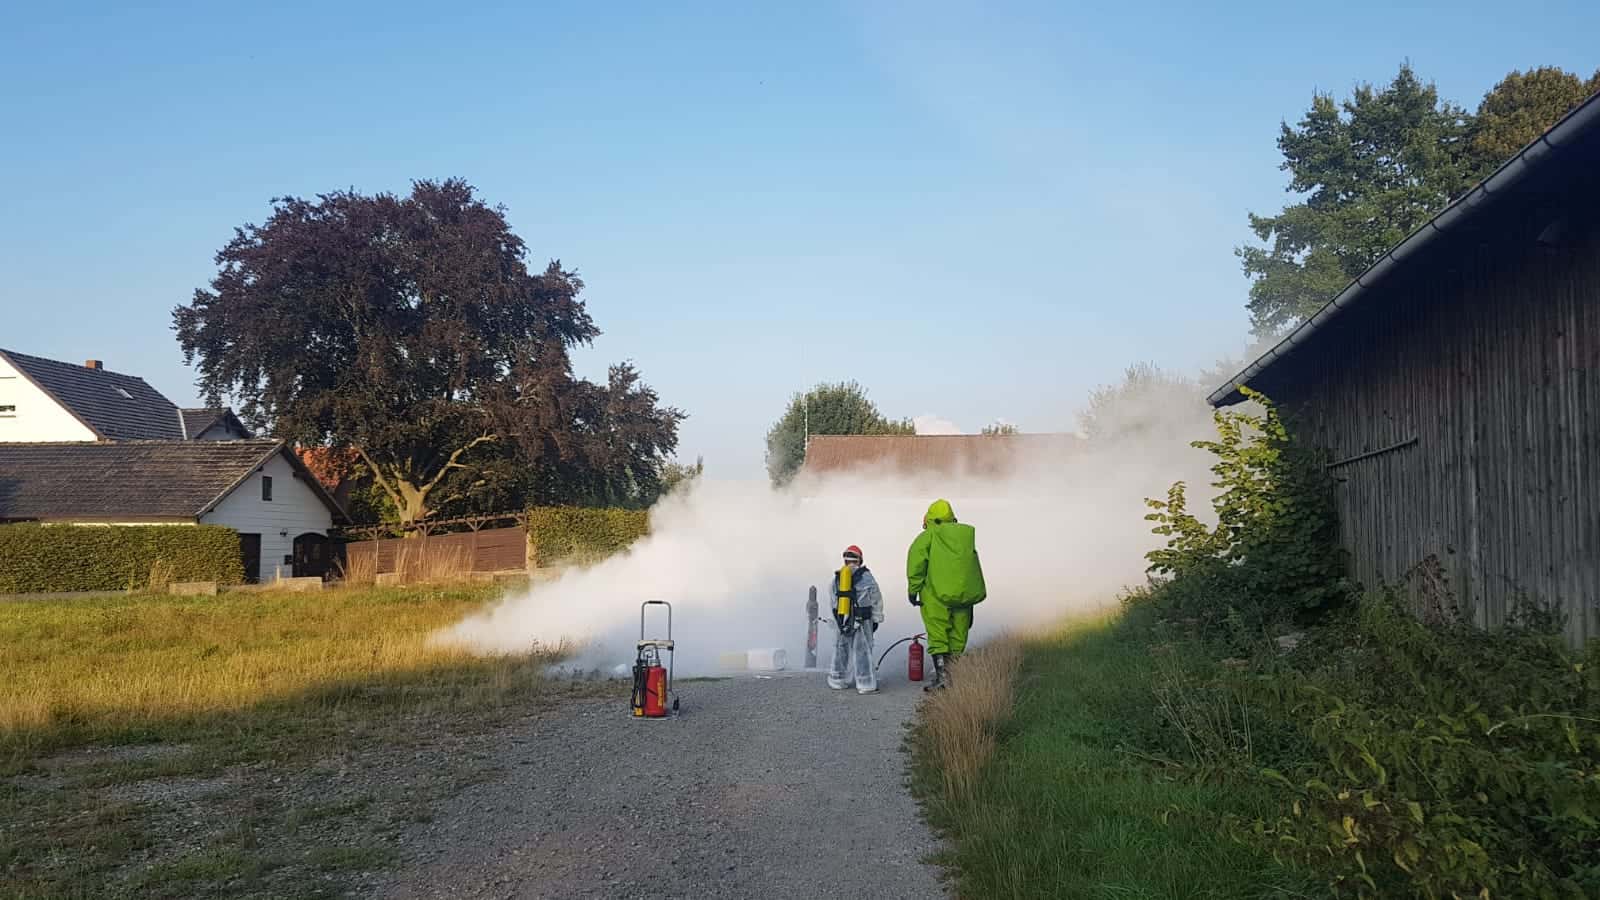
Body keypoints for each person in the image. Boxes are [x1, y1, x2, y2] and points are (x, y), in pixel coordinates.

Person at [906, 499, 985, 691]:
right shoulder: (964, 536)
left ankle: (943, 679)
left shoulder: (928, 536)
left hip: (935, 596)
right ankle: (954, 679)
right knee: (958, 636)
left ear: (929, 518)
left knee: (938, 634)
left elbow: (916, 565)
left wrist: (913, 591)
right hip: (963, 596)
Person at [827, 545, 884, 694]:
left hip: (842, 618)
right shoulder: (866, 577)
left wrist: (836, 621)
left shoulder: (838, 577)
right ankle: (865, 684)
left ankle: (837, 680)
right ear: (860, 560)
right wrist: (877, 618)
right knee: (862, 651)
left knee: (841, 649)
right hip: (862, 619)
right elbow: (876, 598)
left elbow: (833, 600)